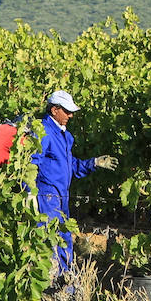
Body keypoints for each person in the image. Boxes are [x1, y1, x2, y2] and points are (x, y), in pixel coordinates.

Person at [30, 90, 117, 278]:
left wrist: (93, 163)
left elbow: (70, 166)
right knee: (50, 240)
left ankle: (65, 284)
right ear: (54, 110)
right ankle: (51, 284)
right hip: (47, 196)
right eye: (67, 111)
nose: (70, 115)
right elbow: (31, 164)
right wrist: (30, 194)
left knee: (64, 238)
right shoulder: (43, 132)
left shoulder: (64, 136)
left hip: (62, 196)